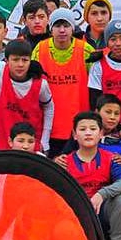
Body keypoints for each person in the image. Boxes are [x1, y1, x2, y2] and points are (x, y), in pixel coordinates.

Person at [55, 111, 121, 240]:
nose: (88, 133)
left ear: (101, 133)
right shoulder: (65, 162)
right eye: (82, 129)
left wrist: (101, 194)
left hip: (102, 212)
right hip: (77, 214)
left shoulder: (111, 158)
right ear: (74, 135)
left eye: (93, 129)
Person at [34, 8, 93, 156]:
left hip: (79, 129)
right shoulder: (39, 50)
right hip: (49, 129)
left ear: (72, 28)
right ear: (50, 29)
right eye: (57, 25)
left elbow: (97, 87)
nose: (62, 30)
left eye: (66, 25)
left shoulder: (86, 50)